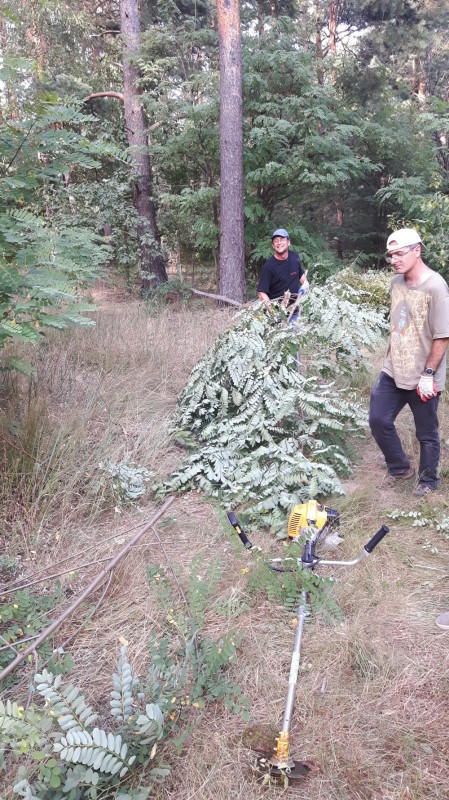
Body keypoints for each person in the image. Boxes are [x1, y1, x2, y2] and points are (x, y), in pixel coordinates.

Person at [369, 228, 449, 497]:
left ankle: (429, 480)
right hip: (394, 369)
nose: (394, 260)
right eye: (391, 255)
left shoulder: (436, 287)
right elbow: (398, 323)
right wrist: (390, 355)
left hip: (423, 375)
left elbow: (442, 336)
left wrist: (428, 373)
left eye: (399, 253)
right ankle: (400, 467)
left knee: (426, 433)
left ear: (417, 250)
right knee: (378, 419)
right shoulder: (396, 283)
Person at [257, 229, 309, 316]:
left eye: (282, 239)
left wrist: (305, 284)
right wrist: (273, 314)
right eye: (276, 241)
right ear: (273, 246)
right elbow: (261, 292)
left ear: (288, 242)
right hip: (277, 313)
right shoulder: (269, 266)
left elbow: (301, 275)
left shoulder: (294, 257)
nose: (279, 243)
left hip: (294, 310)